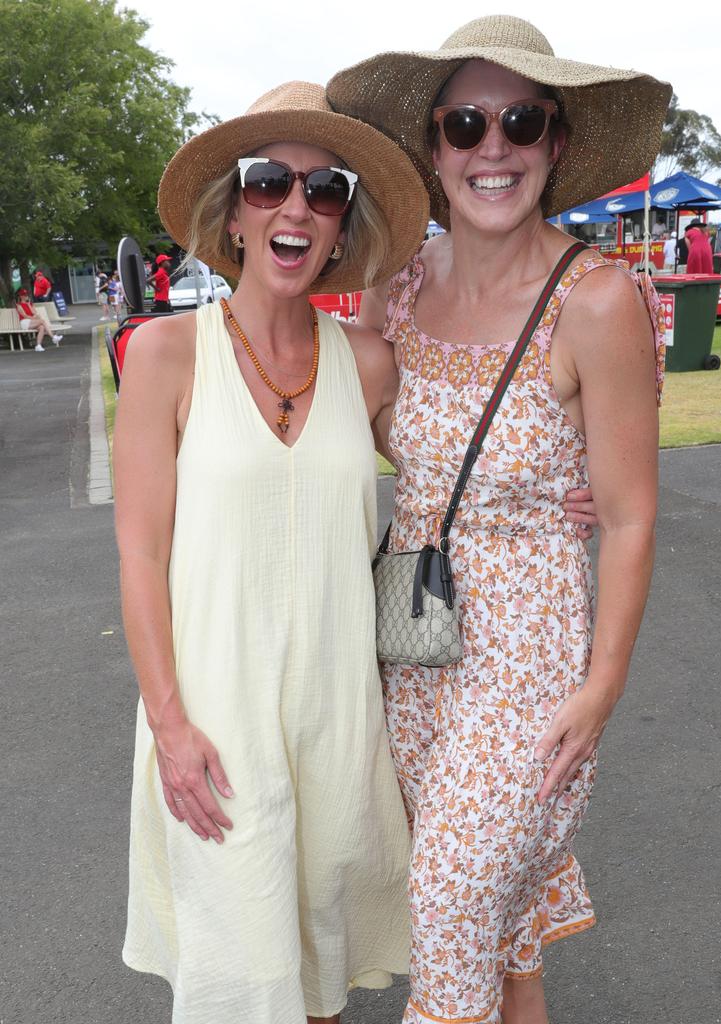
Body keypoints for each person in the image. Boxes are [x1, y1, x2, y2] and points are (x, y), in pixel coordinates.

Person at [328, 16, 669, 1024]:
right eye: (466, 123)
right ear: (432, 152)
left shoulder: (595, 301)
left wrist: (603, 684)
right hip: (414, 639)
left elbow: (636, 514)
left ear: (556, 144)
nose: (494, 147)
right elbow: (398, 437)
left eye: (521, 120)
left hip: (529, 664)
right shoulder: (399, 287)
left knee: (446, 901)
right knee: (495, 935)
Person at [114, 81, 434, 1024]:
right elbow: (139, 554)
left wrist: (571, 484)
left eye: (325, 189)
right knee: (244, 983)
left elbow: (458, 463)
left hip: (339, 720)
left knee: (321, 978)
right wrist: (170, 727)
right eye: (269, 182)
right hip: (214, 727)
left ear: (341, 225)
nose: (297, 205)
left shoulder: (367, 362)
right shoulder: (166, 354)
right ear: (237, 216)